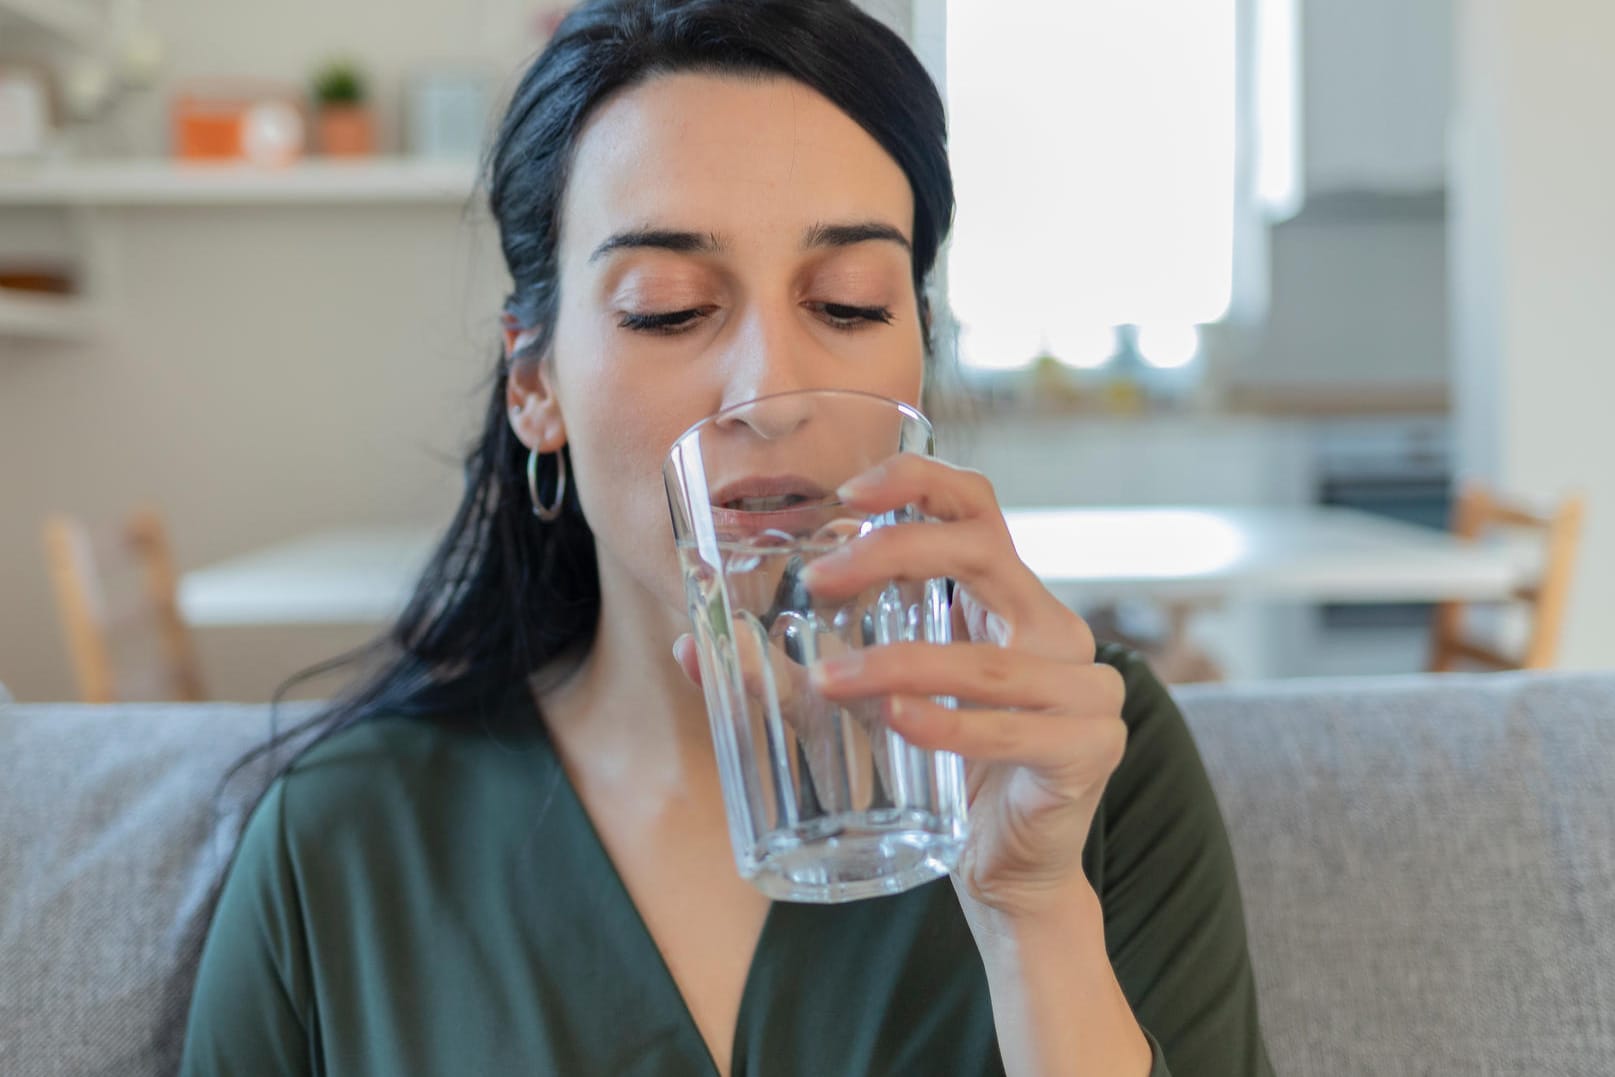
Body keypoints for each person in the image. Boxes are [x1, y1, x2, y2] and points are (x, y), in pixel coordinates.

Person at [180, 2, 1275, 1074]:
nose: (773, 391)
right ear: (534, 384)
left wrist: (1033, 918)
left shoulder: (1086, 765)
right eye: (666, 308)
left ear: (919, 356)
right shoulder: (338, 846)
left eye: (848, 305)